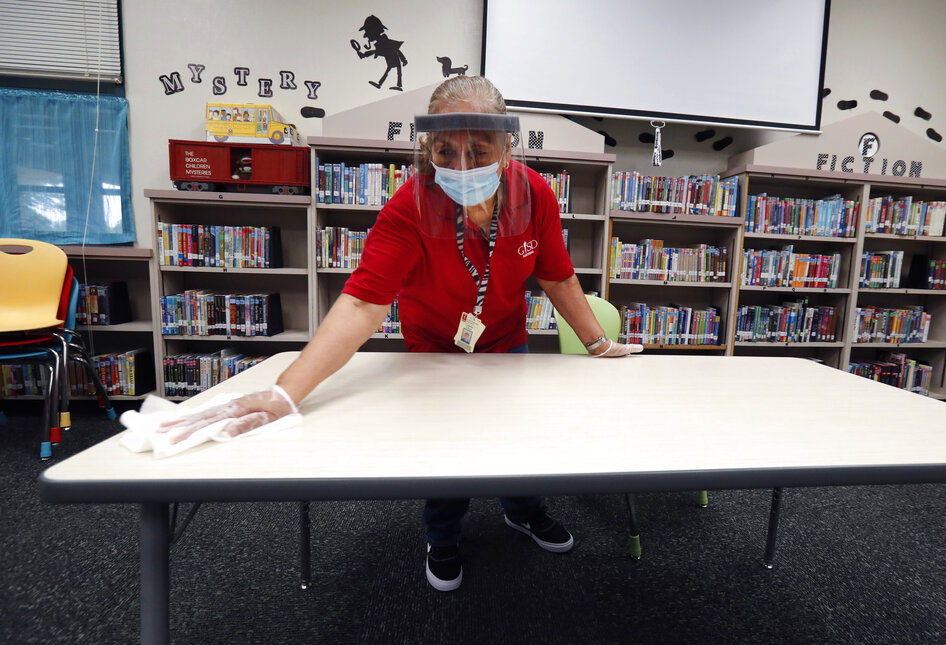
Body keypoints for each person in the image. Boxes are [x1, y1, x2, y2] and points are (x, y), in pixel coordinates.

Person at [158, 76, 642, 592]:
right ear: (426, 149)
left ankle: (523, 510)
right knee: (446, 443)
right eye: (444, 150)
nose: (460, 166)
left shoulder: (534, 194)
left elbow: (556, 276)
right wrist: (286, 392)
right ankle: (442, 534)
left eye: (478, 151)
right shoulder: (410, 205)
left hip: (505, 341)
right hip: (434, 345)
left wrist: (597, 343)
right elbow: (362, 304)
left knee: (512, 435)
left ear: (506, 149)